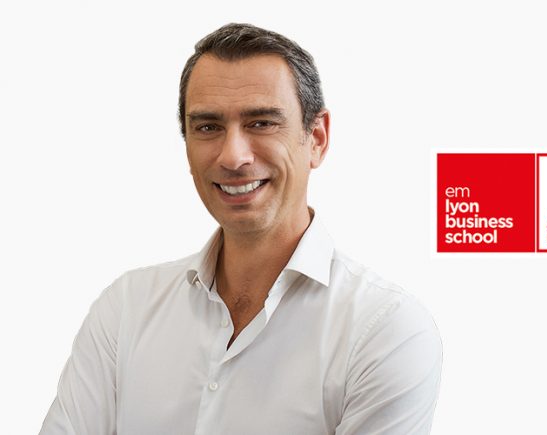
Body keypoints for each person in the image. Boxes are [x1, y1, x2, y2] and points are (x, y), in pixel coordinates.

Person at [40, 23, 442, 435]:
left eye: (262, 123)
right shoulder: (125, 309)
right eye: (208, 127)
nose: (233, 157)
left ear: (317, 139)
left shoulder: (385, 330)